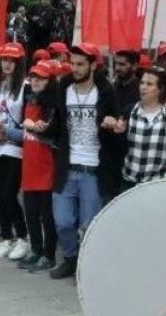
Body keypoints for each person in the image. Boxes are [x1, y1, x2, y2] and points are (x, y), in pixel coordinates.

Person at [49, 43, 120, 279]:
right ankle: (70, 258)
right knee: (62, 221)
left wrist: (115, 126)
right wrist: (43, 128)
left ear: (92, 65)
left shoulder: (107, 91)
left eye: (80, 64)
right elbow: (57, 123)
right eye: (72, 63)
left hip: (93, 169)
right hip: (67, 167)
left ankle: (87, 267)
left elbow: (117, 126)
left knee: (89, 226)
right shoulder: (64, 87)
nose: (74, 68)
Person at [2, 60, 65, 272]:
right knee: (30, 214)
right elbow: (25, 133)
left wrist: (41, 130)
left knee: (47, 216)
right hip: (28, 166)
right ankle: (36, 250)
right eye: (34, 77)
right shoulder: (30, 101)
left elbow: (54, 136)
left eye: (41, 78)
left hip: (46, 168)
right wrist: (4, 130)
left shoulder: (54, 106)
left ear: (51, 81)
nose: (36, 81)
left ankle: (49, 255)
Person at [108, 68, 166, 191]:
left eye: (149, 84)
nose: (143, 87)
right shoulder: (129, 111)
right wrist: (118, 133)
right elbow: (119, 148)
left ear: (161, 88)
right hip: (129, 181)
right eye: (142, 83)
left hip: (158, 183)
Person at [0, 43, 31, 261]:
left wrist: (8, 131)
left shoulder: (26, 87)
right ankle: (6, 238)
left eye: (11, 60)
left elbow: (27, 121)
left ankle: (22, 237)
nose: (7, 64)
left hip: (15, 148)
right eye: (4, 60)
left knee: (9, 195)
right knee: (0, 197)